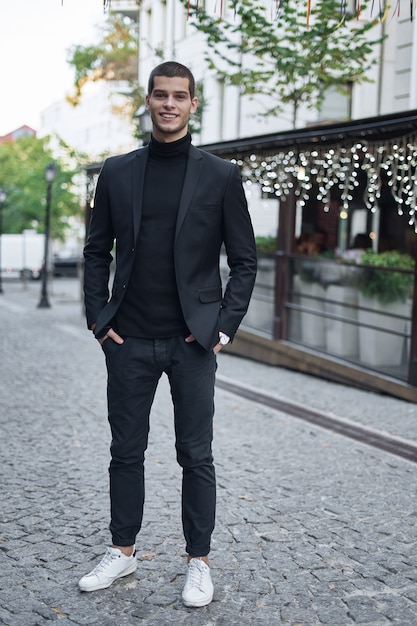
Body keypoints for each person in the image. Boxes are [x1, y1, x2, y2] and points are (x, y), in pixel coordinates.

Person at [80, 61, 257, 608]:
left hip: (192, 342)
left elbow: (245, 262)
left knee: (195, 454)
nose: (169, 105)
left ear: (192, 104)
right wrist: (98, 321)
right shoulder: (116, 172)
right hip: (128, 339)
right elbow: (95, 252)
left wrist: (222, 328)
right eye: (161, 95)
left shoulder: (221, 176)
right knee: (125, 452)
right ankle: (122, 551)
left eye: (180, 96)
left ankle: (198, 562)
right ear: (149, 100)